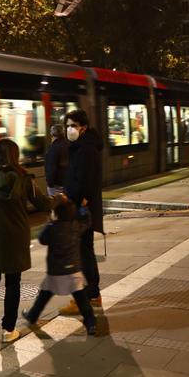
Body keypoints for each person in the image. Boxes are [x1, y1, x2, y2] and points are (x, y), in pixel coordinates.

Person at [0, 139, 49, 347]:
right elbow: (43, 204)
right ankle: (9, 330)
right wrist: (62, 199)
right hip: (16, 241)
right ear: (15, 155)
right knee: (13, 285)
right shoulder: (24, 179)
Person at [21, 194, 98, 335]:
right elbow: (87, 222)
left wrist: (49, 222)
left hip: (55, 271)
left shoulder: (52, 228)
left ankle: (32, 315)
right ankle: (91, 323)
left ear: (55, 213)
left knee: (43, 296)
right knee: (82, 301)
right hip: (74, 271)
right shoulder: (76, 226)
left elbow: (42, 240)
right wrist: (84, 208)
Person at [58, 109, 104, 316]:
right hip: (83, 207)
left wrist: (73, 199)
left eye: (73, 126)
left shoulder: (85, 149)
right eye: (67, 125)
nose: (69, 129)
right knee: (84, 252)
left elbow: (83, 181)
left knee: (81, 254)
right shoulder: (83, 146)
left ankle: (85, 298)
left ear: (83, 128)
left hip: (80, 209)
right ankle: (92, 295)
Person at [44, 124, 68, 195]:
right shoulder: (68, 144)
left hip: (57, 184)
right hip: (68, 182)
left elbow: (52, 168)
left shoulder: (53, 149)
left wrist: (50, 183)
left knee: (57, 204)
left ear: (52, 134)